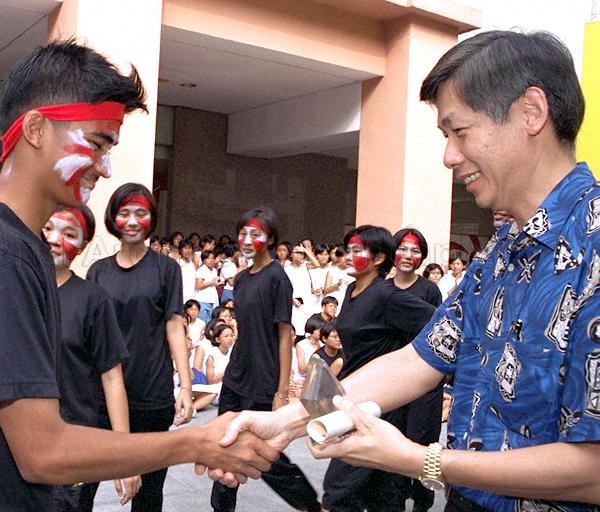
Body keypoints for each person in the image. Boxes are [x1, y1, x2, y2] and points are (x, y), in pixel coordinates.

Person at [0, 40, 278, 511]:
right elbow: (43, 454)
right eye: (97, 143)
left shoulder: (13, 246)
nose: (105, 166)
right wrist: (195, 443)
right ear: (34, 128)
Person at [216, 30, 600, 511]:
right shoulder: (501, 251)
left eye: (459, 132)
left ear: (531, 112)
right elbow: (416, 360)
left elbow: (593, 470)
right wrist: (288, 420)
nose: (449, 157)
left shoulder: (595, 246)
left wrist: (422, 461)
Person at [87, 183, 196, 512]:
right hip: (100, 397)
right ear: (113, 218)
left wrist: (186, 386)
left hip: (151, 392)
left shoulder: (167, 269)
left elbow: (174, 326)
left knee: (148, 494)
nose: (132, 220)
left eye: (141, 213)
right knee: (78, 488)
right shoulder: (98, 271)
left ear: (151, 219)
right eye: (124, 213)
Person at [211, 207, 321, 512]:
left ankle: (313, 506)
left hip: (264, 376)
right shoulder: (242, 278)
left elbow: (285, 335)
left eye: (255, 234)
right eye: (243, 233)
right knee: (224, 444)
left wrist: (281, 391)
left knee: (266, 454)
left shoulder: (277, 278)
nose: (246, 240)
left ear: (270, 238)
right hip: (237, 373)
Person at [320, 226, 435, 512]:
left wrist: (412, 367)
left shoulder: (388, 295)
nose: (349, 256)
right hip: (352, 397)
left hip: (380, 406)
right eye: (347, 250)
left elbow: (437, 325)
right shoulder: (350, 290)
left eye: (358, 251)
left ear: (379, 258)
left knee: (340, 491)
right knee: (379, 494)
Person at [44, 206, 142, 510]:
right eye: (48, 228)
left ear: (82, 247)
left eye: (69, 234)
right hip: (17, 441)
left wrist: (123, 454)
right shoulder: (16, 291)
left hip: (74, 443)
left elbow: (112, 377)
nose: (54, 240)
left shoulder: (92, 300)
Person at [389, 228, 443, 512]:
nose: (408, 256)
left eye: (415, 251)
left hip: (425, 381)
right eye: (403, 249)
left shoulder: (429, 290)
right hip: (391, 380)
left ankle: (422, 503)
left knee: (423, 445)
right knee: (393, 443)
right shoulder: (382, 290)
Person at [195, 249, 220, 323]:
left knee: (210, 323)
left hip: (212, 300)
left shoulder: (214, 270)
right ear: (203, 260)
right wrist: (212, 282)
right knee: (202, 323)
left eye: (212, 258)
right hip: (202, 300)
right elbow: (198, 285)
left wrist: (216, 283)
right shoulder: (202, 270)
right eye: (208, 258)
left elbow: (213, 284)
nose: (211, 260)